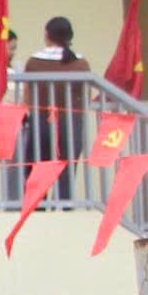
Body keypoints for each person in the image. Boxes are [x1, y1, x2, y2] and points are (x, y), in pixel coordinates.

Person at [16, 17, 91, 205]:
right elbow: (85, 96)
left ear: (47, 35)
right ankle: (65, 207)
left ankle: (36, 208)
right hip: (70, 123)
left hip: (41, 121)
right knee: (67, 168)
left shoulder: (34, 62)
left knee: (37, 168)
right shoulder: (80, 64)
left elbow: (27, 94)